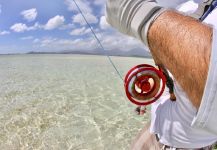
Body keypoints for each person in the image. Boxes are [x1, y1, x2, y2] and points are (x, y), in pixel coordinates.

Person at [106, 0, 217, 149]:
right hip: (156, 130)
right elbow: (170, 69)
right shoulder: (191, 7)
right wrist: (150, 95)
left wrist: (142, 15)